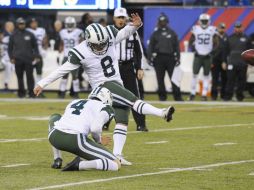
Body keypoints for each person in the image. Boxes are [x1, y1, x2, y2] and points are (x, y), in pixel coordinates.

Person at [34, 13, 175, 166]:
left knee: (122, 120)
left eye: (103, 43)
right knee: (132, 100)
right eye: (98, 45)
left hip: (116, 83)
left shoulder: (108, 35)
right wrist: (42, 83)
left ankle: (117, 155)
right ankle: (162, 113)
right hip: (102, 88)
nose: (101, 47)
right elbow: (63, 69)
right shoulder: (80, 51)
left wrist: (136, 25)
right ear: (88, 42)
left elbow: (124, 33)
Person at [49, 86, 121, 171]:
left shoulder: (74, 101)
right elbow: (95, 128)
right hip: (74, 140)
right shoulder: (106, 107)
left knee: (55, 117)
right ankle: (80, 164)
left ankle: (57, 159)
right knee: (116, 163)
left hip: (54, 136)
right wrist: (98, 141)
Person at [113, 7, 148, 132]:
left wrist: (140, 67)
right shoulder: (109, 32)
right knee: (106, 94)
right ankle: (104, 123)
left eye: (123, 17)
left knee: (134, 96)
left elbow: (138, 51)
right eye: (119, 17)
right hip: (113, 68)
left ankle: (141, 124)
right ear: (114, 18)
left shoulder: (133, 31)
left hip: (128, 66)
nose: (121, 20)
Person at [147, 13, 183, 101]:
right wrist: (149, 58)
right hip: (158, 58)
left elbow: (177, 46)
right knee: (160, 79)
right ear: (159, 22)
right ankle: (162, 97)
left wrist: (178, 57)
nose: (163, 23)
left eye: (164, 21)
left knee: (174, 78)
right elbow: (150, 46)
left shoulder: (172, 33)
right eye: (161, 21)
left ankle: (177, 97)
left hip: (170, 57)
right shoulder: (155, 33)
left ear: (167, 22)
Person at [188, 13, 218, 101]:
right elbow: (191, 42)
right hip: (198, 55)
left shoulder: (212, 29)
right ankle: (192, 93)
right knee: (194, 75)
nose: (204, 22)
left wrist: (212, 53)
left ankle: (204, 94)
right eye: (203, 21)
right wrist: (194, 50)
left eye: (205, 21)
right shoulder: (195, 29)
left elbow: (216, 43)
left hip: (208, 56)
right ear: (199, 21)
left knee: (207, 75)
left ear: (209, 21)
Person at [8, 17, 39, 98]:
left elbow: (35, 46)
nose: (22, 25)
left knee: (30, 77)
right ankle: (21, 93)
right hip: (17, 59)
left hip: (28, 59)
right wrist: (11, 57)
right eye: (20, 24)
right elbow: (10, 48)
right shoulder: (13, 35)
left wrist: (36, 56)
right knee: (19, 77)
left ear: (25, 24)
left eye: (23, 24)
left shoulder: (30, 34)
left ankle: (31, 93)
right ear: (17, 25)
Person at [224, 22, 251, 101]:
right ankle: (228, 96)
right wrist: (224, 61)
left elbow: (250, 51)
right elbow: (225, 51)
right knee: (230, 80)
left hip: (243, 63)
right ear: (234, 28)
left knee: (241, 80)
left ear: (242, 28)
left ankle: (240, 96)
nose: (238, 29)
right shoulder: (230, 38)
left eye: (239, 27)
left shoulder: (246, 38)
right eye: (236, 27)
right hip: (232, 62)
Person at [58, 16, 84, 98]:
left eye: (71, 24)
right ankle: (62, 92)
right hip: (66, 56)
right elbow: (62, 43)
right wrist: (59, 51)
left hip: (75, 56)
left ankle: (76, 93)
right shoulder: (62, 32)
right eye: (68, 24)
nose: (69, 26)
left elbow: (81, 43)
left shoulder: (79, 32)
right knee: (64, 75)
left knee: (75, 76)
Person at [27, 18, 48, 97]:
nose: (34, 24)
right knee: (30, 74)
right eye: (32, 23)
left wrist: (45, 48)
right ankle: (31, 91)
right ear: (30, 24)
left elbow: (45, 39)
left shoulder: (41, 30)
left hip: (39, 54)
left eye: (35, 22)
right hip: (30, 55)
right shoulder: (27, 31)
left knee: (39, 73)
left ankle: (39, 91)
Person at [211, 22, 228, 100]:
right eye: (220, 28)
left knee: (224, 78)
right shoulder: (213, 37)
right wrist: (211, 61)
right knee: (215, 79)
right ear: (217, 28)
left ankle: (223, 95)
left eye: (223, 28)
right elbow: (210, 49)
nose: (222, 29)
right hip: (215, 60)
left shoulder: (226, 37)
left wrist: (225, 61)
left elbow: (228, 49)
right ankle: (213, 95)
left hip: (224, 60)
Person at [1, 21, 15, 91]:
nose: (13, 27)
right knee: (9, 68)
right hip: (4, 58)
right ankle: (6, 85)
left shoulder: (10, 35)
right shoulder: (4, 35)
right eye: (11, 26)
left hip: (7, 57)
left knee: (10, 69)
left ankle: (7, 85)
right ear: (7, 27)